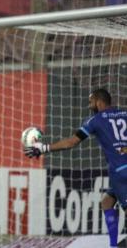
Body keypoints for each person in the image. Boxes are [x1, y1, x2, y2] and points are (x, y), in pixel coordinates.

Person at [24, 88, 124, 248]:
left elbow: (71, 142)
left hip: (120, 171)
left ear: (99, 102)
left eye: (91, 102)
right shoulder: (124, 115)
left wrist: (43, 148)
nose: (90, 106)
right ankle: (113, 245)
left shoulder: (95, 120)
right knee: (107, 202)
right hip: (122, 168)